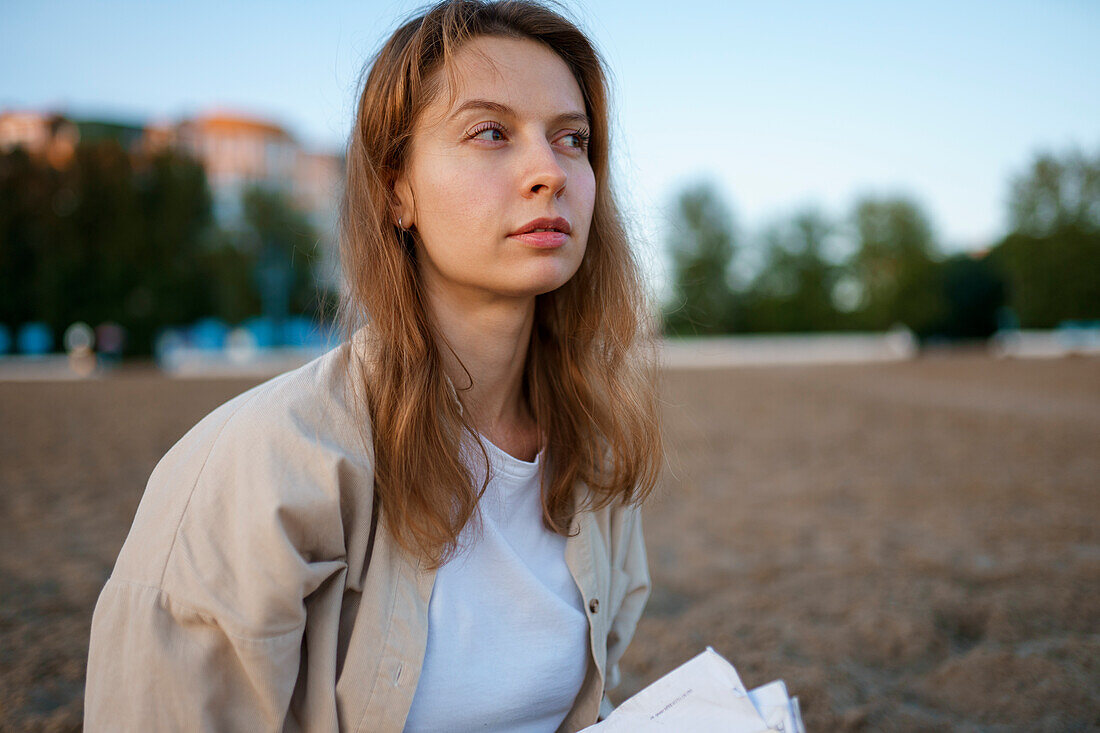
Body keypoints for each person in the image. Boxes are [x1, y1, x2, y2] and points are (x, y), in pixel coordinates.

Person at [84, 1, 662, 730]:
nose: (549, 170)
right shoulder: (262, 464)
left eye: (571, 139)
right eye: (491, 132)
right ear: (397, 189)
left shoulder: (597, 454)